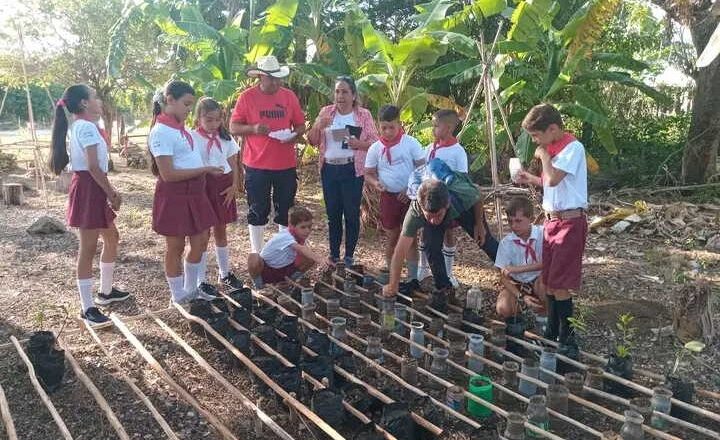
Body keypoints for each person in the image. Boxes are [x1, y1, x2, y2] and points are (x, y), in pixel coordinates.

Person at [49, 84, 131, 325]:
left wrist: (107, 192)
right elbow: (93, 167)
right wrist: (112, 193)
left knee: (112, 237)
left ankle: (105, 292)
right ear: (84, 103)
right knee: (87, 248)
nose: (99, 101)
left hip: (93, 187)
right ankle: (87, 308)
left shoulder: (85, 126)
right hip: (89, 188)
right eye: (94, 97)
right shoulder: (85, 127)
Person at [515, 103, 588, 355]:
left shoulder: (572, 148)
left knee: (560, 284)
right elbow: (551, 183)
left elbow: (555, 178)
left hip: (569, 222)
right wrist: (531, 179)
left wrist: (544, 155)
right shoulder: (557, 149)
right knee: (551, 279)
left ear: (553, 128)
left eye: (537, 136)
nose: (536, 141)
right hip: (553, 221)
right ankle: (553, 332)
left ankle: (568, 340)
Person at [149, 80, 224, 304]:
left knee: (201, 239)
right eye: (186, 104)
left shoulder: (182, 130)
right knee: (176, 246)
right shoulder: (160, 132)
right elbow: (168, 174)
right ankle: (177, 294)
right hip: (175, 194)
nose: (189, 110)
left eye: (191, 105)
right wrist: (204, 169)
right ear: (170, 100)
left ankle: (190, 288)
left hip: (195, 192)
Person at [383, 177, 499, 311]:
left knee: (485, 241)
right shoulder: (416, 211)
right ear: (421, 208)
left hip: (462, 207)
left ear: (447, 205)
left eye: (438, 215)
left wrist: (479, 223)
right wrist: (393, 284)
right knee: (430, 246)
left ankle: (514, 275)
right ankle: (445, 289)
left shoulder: (460, 193)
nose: (433, 221)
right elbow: (400, 251)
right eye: (429, 216)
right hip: (437, 208)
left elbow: (477, 193)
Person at [229, 56, 306, 253]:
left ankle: (283, 251)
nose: (275, 82)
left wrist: (294, 135)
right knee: (257, 209)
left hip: (285, 164)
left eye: (278, 78)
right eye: (271, 78)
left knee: (285, 209)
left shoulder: (289, 96)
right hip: (256, 164)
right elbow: (233, 127)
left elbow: (300, 125)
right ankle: (257, 254)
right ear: (261, 77)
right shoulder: (247, 97)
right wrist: (254, 128)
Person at [307, 76, 378, 266]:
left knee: (351, 213)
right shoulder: (326, 112)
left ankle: (349, 256)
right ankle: (333, 255)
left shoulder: (363, 115)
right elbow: (312, 140)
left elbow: (375, 143)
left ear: (353, 95)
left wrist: (359, 144)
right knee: (333, 214)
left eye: (345, 92)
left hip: (352, 169)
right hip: (329, 168)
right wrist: (318, 125)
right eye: (337, 91)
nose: (340, 96)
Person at [364, 104, 425, 279]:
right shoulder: (375, 148)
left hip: (411, 197)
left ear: (399, 124)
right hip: (388, 197)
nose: (388, 132)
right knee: (392, 236)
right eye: (384, 128)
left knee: (411, 238)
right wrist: (376, 183)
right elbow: (368, 174)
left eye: (392, 127)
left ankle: (413, 278)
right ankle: (392, 275)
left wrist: (409, 189)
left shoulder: (411, 143)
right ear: (378, 126)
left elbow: (422, 168)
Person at [190, 97, 243, 290]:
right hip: (203, 186)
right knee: (202, 235)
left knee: (221, 230)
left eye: (217, 119)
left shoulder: (226, 137)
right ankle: (201, 280)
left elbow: (233, 162)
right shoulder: (193, 137)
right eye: (208, 119)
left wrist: (234, 185)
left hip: (223, 186)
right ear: (198, 118)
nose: (213, 124)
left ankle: (225, 273)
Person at [418, 109, 468, 287]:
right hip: (427, 201)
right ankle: (422, 268)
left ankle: (448, 272)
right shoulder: (430, 148)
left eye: (436, 125)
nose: (433, 129)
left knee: (449, 232)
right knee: (424, 231)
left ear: (448, 128)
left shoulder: (458, 151)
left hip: (447, 202)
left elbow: (462, 177)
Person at [248, 206, 330, 288]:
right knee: (254, 257)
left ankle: (289, 282)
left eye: (309, 227)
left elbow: (304, 252)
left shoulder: (299, 236)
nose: (307, 231)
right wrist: (320, 259)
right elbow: (301, 249)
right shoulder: (285, 236)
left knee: (310, 257)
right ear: (291, 226)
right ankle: (259, 286)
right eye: (303, 227)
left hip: (285, 270)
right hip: (267, 270)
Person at [494, 196, 546, 322]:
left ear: (531, 219)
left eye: (518, 221)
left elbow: (548, 263)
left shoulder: (543, 234)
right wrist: (521, 296)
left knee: (545, 285)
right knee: (503, 308)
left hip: (539, 280)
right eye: (510, 221)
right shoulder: (506, 243)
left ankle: (545, 316)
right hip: (518, 285)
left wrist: (517, 269)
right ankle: (525, 307)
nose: (514, 226)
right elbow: (503, 276)